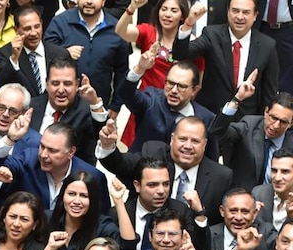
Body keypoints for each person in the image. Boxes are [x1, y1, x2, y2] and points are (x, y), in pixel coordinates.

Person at [98, 116, 233, 226]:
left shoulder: (221, 177)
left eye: (195, 141)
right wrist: (107, 145)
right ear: (172, 139)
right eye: (183, 139)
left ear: (205, 144)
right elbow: (121, 164)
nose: (188, 146)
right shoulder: (153, 153)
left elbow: (218, 225)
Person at [114, 0, 198, 146]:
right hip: (147, 103)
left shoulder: (194, 43)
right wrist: (132, 7)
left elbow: (198, 83)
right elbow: (121, 31)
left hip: (175, 106)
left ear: (183, 16)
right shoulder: (149, 31)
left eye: (173, 10)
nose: (167, 14)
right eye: (163, 9)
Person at [173, 0, 279, 115]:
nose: (239, 17)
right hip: (211, 115)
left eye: (246, 12)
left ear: (255, 16)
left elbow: (269, 93)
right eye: (235, 11)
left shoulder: (267, 45)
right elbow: (181, 54)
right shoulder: (212, 34)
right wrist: (188, 24)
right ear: (228, 12)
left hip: (245, 122)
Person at [117, 52, 218, 161]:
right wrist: (139, 69)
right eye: (170, 83)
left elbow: (211, 161)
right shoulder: (152, 100)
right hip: (140, 171)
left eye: (182, 86)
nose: (174, 91)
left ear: (194, 90)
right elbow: (125, 93)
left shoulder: (207, 119)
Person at [37, 171, 137, 250]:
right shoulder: (47, 219)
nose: (76, 201)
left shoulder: (101, 225)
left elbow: (127, 245)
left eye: (84, 196)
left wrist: (118, 201)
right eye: (71, 194)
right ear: (63, 195)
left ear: (92, 200)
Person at [44, 0, 130, 114]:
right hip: (61, 106)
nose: (89, 1)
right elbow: (44, 54)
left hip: (99, 106)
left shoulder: (117, 29)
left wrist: (115, 106)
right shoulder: (60, 22)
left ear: (104, 1)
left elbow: (122, 71)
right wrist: (64, 52)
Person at [210, 91, 293, 190]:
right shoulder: (249, 126)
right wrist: (236, 100)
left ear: (291, 123)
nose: (276, 126)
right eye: (273, 118)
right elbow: (217, 132)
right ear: (266, 112)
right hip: (241, 198)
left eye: (283, 122)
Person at [0, 6, 70, 96]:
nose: (33, 33)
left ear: (42, 24)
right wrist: (14, 59)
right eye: (27, 29)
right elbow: (1, 85)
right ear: (16, 30)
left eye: (37, 27)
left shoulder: (60, 53)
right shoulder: (5, 54)